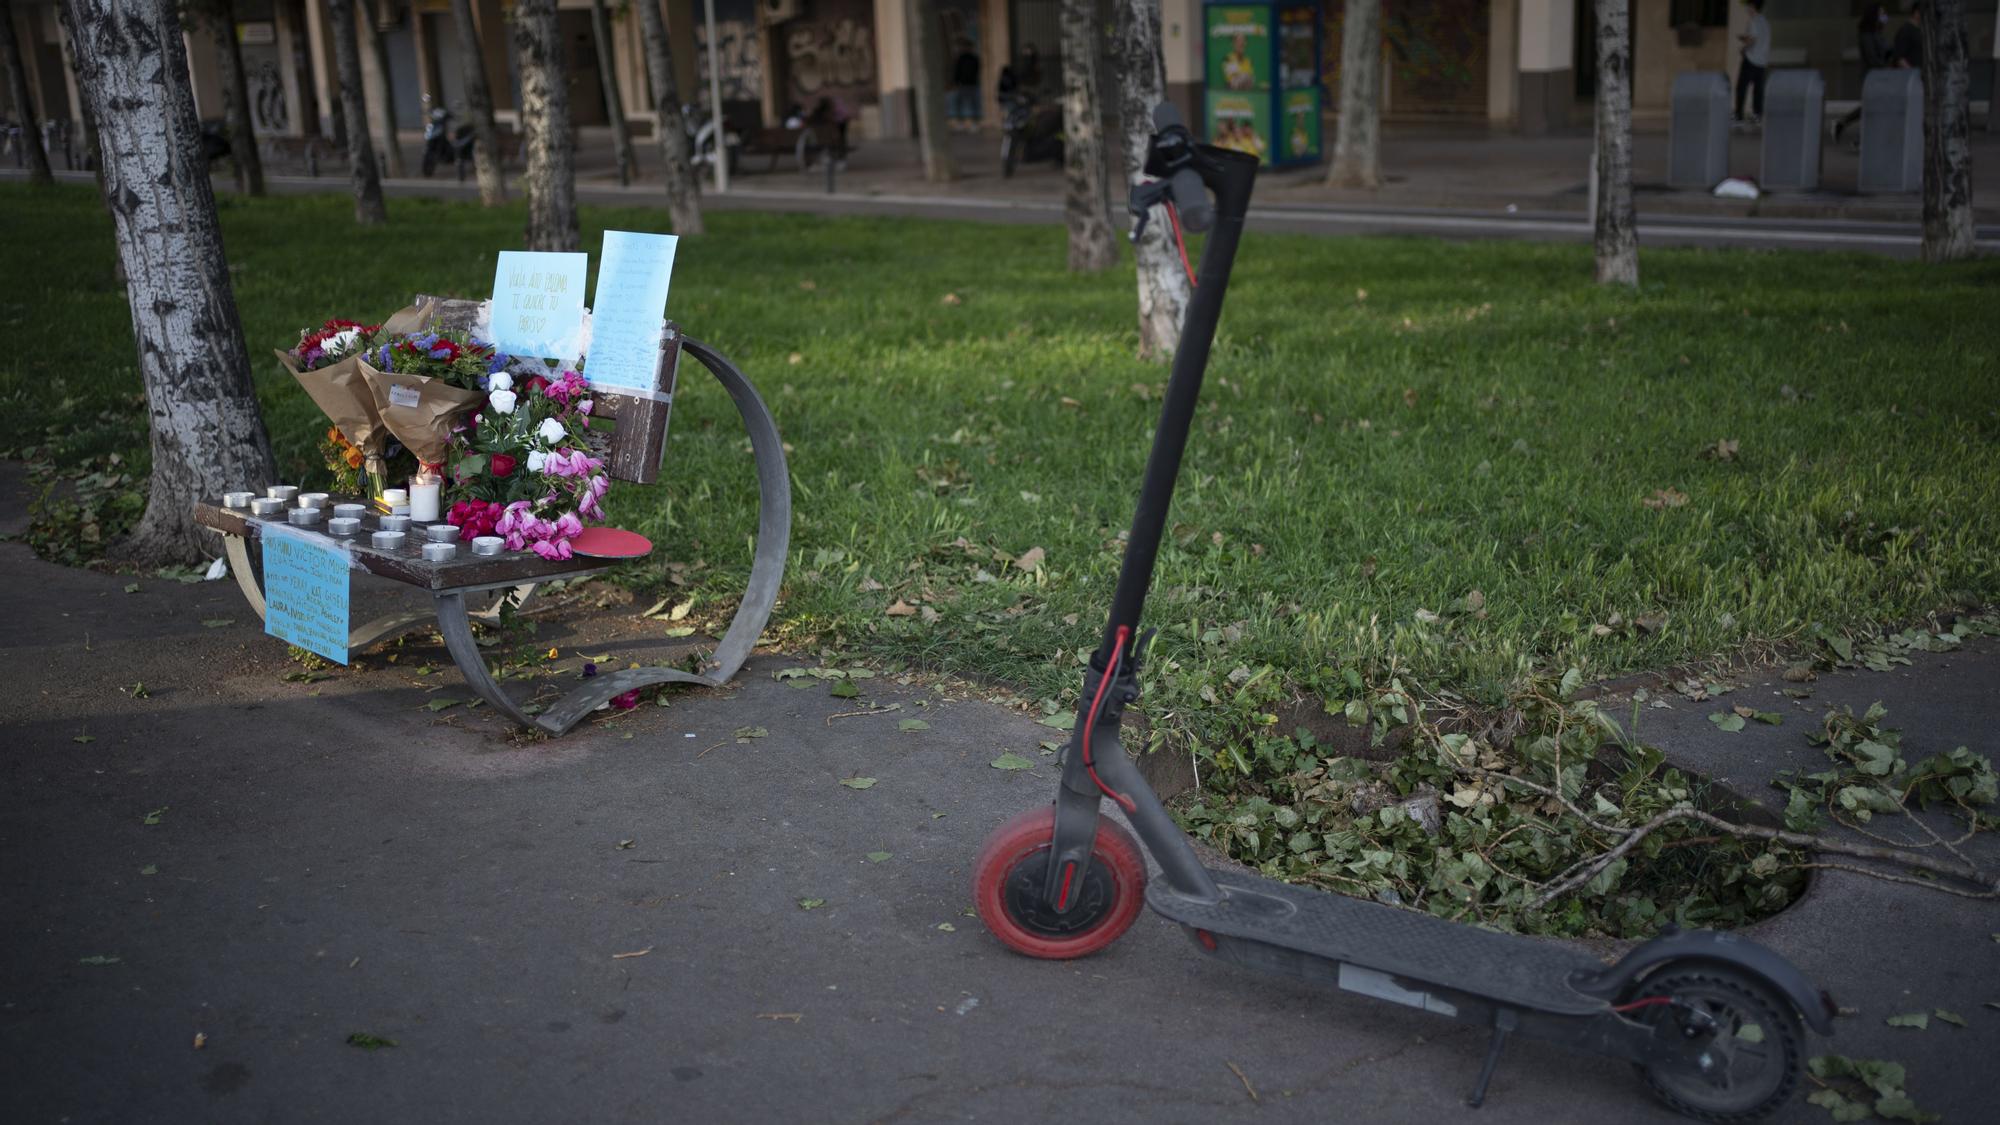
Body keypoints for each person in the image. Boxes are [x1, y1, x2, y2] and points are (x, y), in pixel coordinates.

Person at [1832, 4, 1890, 145]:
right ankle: (1857, 135)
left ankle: (1845, 125)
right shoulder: (1867, 35)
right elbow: (1871, 57)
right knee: (1872, 108)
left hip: (1880, 76)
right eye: (1881, 13)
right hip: (1872, 77)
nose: (1884, 16)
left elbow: (1886, 51)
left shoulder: (1878, 33)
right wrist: (1885, 67)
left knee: (1872, 107)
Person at [1733, 0, 1772, 125]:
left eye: (1748, 6)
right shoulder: (1765, 22)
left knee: (1741, 87)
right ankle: (1757, 114)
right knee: (1758, 89)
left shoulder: (1754, 21)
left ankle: (1738, 115)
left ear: (1752, 7)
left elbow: (1752, 39)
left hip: (1751, 59)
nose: (1747, 9)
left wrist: (1743, 48)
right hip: (1762, 60)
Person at [950, 40, 981, 130]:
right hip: (964, 84)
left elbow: (976, 70)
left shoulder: (973, 58)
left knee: (972, 103)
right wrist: (956, 82)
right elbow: (957, 71)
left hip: (970, 83)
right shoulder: (961, 58)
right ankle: (962, 122)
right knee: (961, 102)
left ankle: (973, 123)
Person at [1891, 0, 1923, 71]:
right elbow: (1899, 58)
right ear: (1916, 12)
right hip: (1912, 75)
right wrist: (1912, 71)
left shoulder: (1920, 30)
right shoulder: (1906, 30)